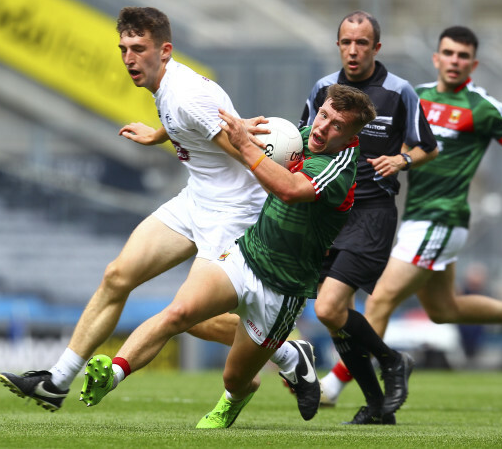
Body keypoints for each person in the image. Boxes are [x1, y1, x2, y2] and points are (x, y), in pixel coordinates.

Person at [0, 6, 311, 413]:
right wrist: (158, 135)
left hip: (231, 214)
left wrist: (288, 190)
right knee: (117, 276)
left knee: (189, 317)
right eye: (124, 48)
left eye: (138, 48)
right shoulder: (169, 85)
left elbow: (240, 151)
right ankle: (56, 382)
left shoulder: (185, 95)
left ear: (164, 50)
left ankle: (288, 354)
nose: (129, 57)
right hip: (196, 199)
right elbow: (189, 120)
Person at [78, 84, 377, 428]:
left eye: (338, 125)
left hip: (282, 288)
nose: (324, 127)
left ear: (353, 135)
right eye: (324, 114)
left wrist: (245, 146)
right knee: (180, 314)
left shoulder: (339, 166)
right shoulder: (301, 135)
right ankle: (112, 375)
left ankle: (238, 396)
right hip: (245, 255)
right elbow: (216, 122)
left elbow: (291, 190)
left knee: (235, 377)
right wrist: (165, 133)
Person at [322, 25, 502, 406]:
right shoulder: (417, 96)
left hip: (443, 218)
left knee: (380, 300)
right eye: (448, 53)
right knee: (445, 310)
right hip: (414, 216)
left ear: (473, 63)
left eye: (463, 56)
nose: (455, 61)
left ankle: (332, 385)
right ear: (436, 57)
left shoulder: (482, 106)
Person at [301, 11, 438, 424]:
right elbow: (307, 139)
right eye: (346, 42)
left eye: (362, 43)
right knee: (336, 320)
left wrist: (400, 160)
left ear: (376, 47)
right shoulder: (324, 88)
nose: (354, 50)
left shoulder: (399, 92)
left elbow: (428, 147)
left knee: (328, 309)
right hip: (329, 212)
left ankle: (393, 360)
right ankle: (378, 407)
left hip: (373, 212)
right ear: (338, 45)